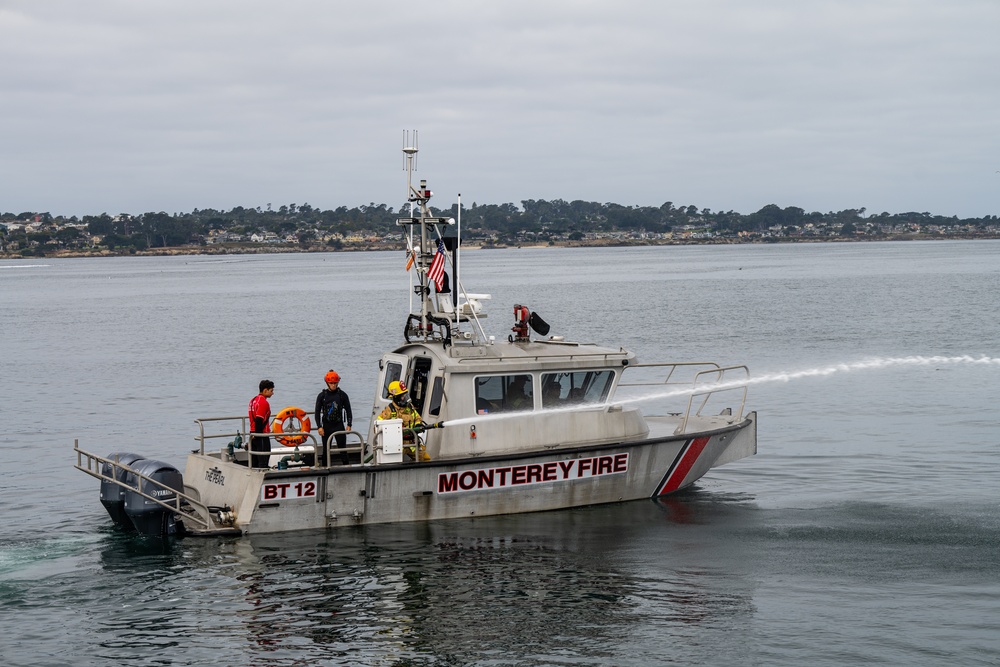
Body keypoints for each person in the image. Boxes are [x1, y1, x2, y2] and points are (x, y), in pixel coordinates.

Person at [378, 380, 430, 461]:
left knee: (425, 458)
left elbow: (417, 418)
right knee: (393, 463)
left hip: (412, 443)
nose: (405, 398)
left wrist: (418, 425)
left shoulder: (409, 407)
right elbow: (378, 426)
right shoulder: (389, 411)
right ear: (395, 397)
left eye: (405, 395)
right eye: (402, 396)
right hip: (398, 445)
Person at [314, 370, 353, 465]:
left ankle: (346, 467)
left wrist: (349, 424)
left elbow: (348, 410)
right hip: (326, 426)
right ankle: (324, 469)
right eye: (331, 383)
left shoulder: (342, 395)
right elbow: (317, 412)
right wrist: (319, 427)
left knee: (343, 449)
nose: (333, 385)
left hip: (339, 425)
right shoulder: (322, 396)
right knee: (326, 451)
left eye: (335, 383)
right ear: (327, 383)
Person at [248, 379, 274, 468]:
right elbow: (259, 420)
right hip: (261, 434)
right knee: (263, 460)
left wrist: (254, 434)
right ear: (265, 390)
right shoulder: (263, 402)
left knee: (254, 461)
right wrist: (259, 435)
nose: (272, 393)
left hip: (252, 433)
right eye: (271, 391)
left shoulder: (252, 401)